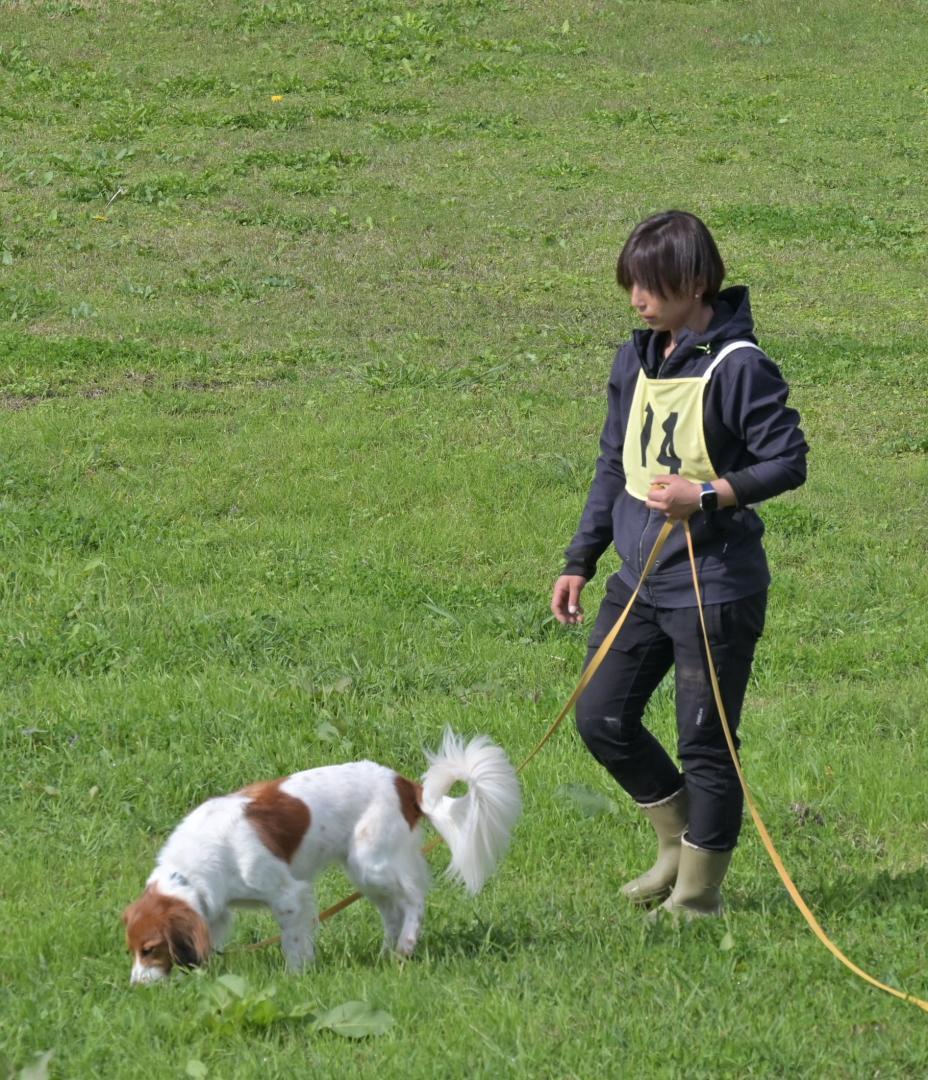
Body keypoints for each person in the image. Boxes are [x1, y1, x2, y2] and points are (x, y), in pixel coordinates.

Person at [551, 210, 808, 918]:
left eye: (650, 285)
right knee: (601, 716)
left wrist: (708, 494)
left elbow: (788, 461)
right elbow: (615, 465)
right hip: (638, 581)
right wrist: (580, 558)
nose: (637, 299)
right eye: (631, 284)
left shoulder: (739, 366)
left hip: (714, 587)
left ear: (695, 282)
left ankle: (698, 897)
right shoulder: (635, 359)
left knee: (706, 740)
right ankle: (674, 845)